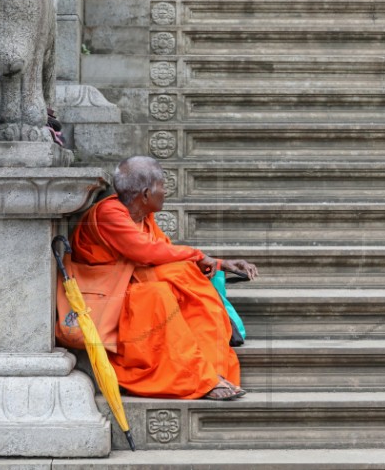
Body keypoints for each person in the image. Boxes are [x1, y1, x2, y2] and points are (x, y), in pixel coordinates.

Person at [69, 156, 258, 400]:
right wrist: (200, 255)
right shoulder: (109, 213)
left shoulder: (142, 216)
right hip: (109, 298)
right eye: (162, 185)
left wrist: (218, 263)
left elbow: (165, 253)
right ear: (146, 194)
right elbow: (147, 252)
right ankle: (197, 378)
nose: (166, 191)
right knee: (159, 294)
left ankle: (213, 371)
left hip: (133, 286)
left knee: (186, 277)